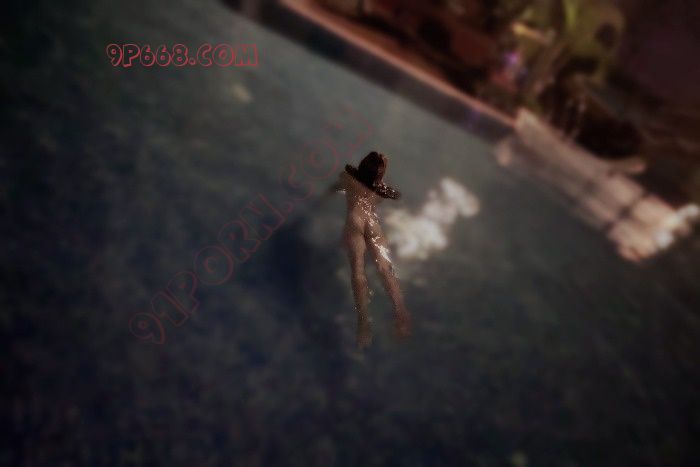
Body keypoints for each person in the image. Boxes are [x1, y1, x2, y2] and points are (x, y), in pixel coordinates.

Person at [336, 151, 411, 348]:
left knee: (358, 270)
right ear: (380, 175)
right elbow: (394, 194)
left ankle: (363, 322)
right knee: (385, 270)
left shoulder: (347, 178)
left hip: (355, 220)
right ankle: (401, 313)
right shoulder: (380, 192)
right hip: (372, 223)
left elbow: (335, 188)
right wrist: (379, 182)